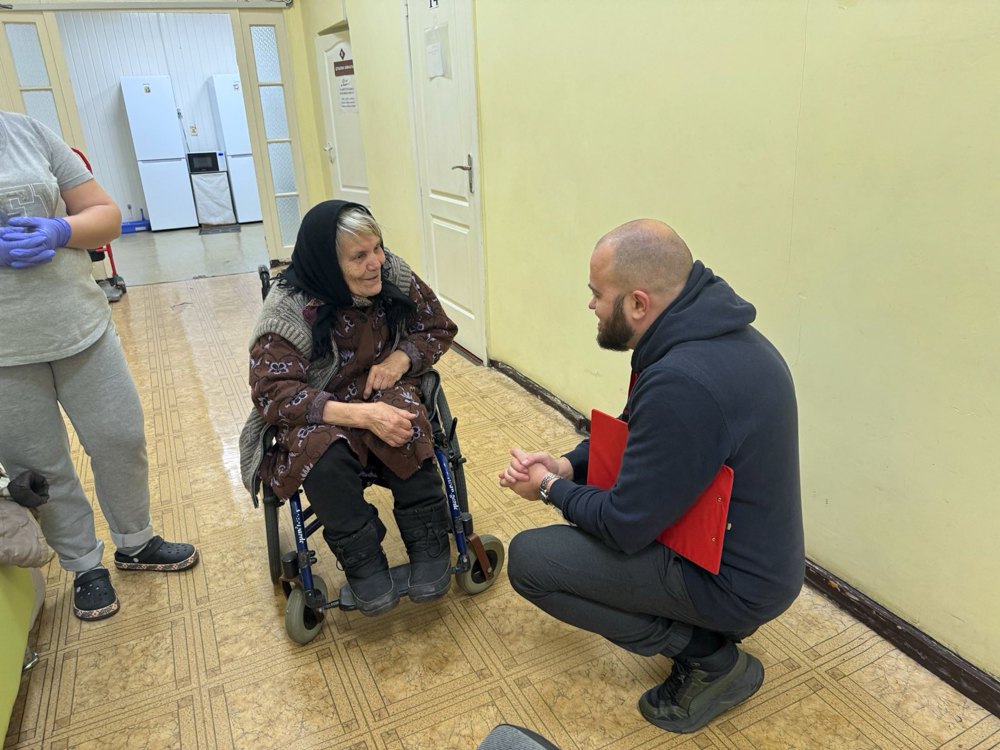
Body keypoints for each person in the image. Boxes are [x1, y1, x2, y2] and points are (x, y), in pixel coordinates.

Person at [499, 219, 803, 733]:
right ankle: (707, 625)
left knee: (532, 561)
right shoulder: (709, 336)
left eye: (597, 294)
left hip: (735, 582)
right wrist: (566, 464)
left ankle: (712, 658)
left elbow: (623, 526)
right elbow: (633, 435)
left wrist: (550, 489)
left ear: (638, 304)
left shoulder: (683, 381)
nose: (590, 306)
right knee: (585, 505)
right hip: (755, 560)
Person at [0, 111, 199, 622]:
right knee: (40, 466)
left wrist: (61, 228)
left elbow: (105, 215)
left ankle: (136, 541)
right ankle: (83, 564)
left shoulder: (27, 130)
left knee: (120, 437)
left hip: (80, 326)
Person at [239, 200, 459, 616]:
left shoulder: (391, 270)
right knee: (319, 452)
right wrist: (360, 414)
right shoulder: (289, 309)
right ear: (328, 262)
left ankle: (428, 539)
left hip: (379, 385)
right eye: (359, 256)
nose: (376, 262)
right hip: (317, 403)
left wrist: (402, 359)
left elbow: (438, 326)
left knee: (404, 419)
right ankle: (363, 560)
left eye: (377, 248)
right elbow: (273, 394)